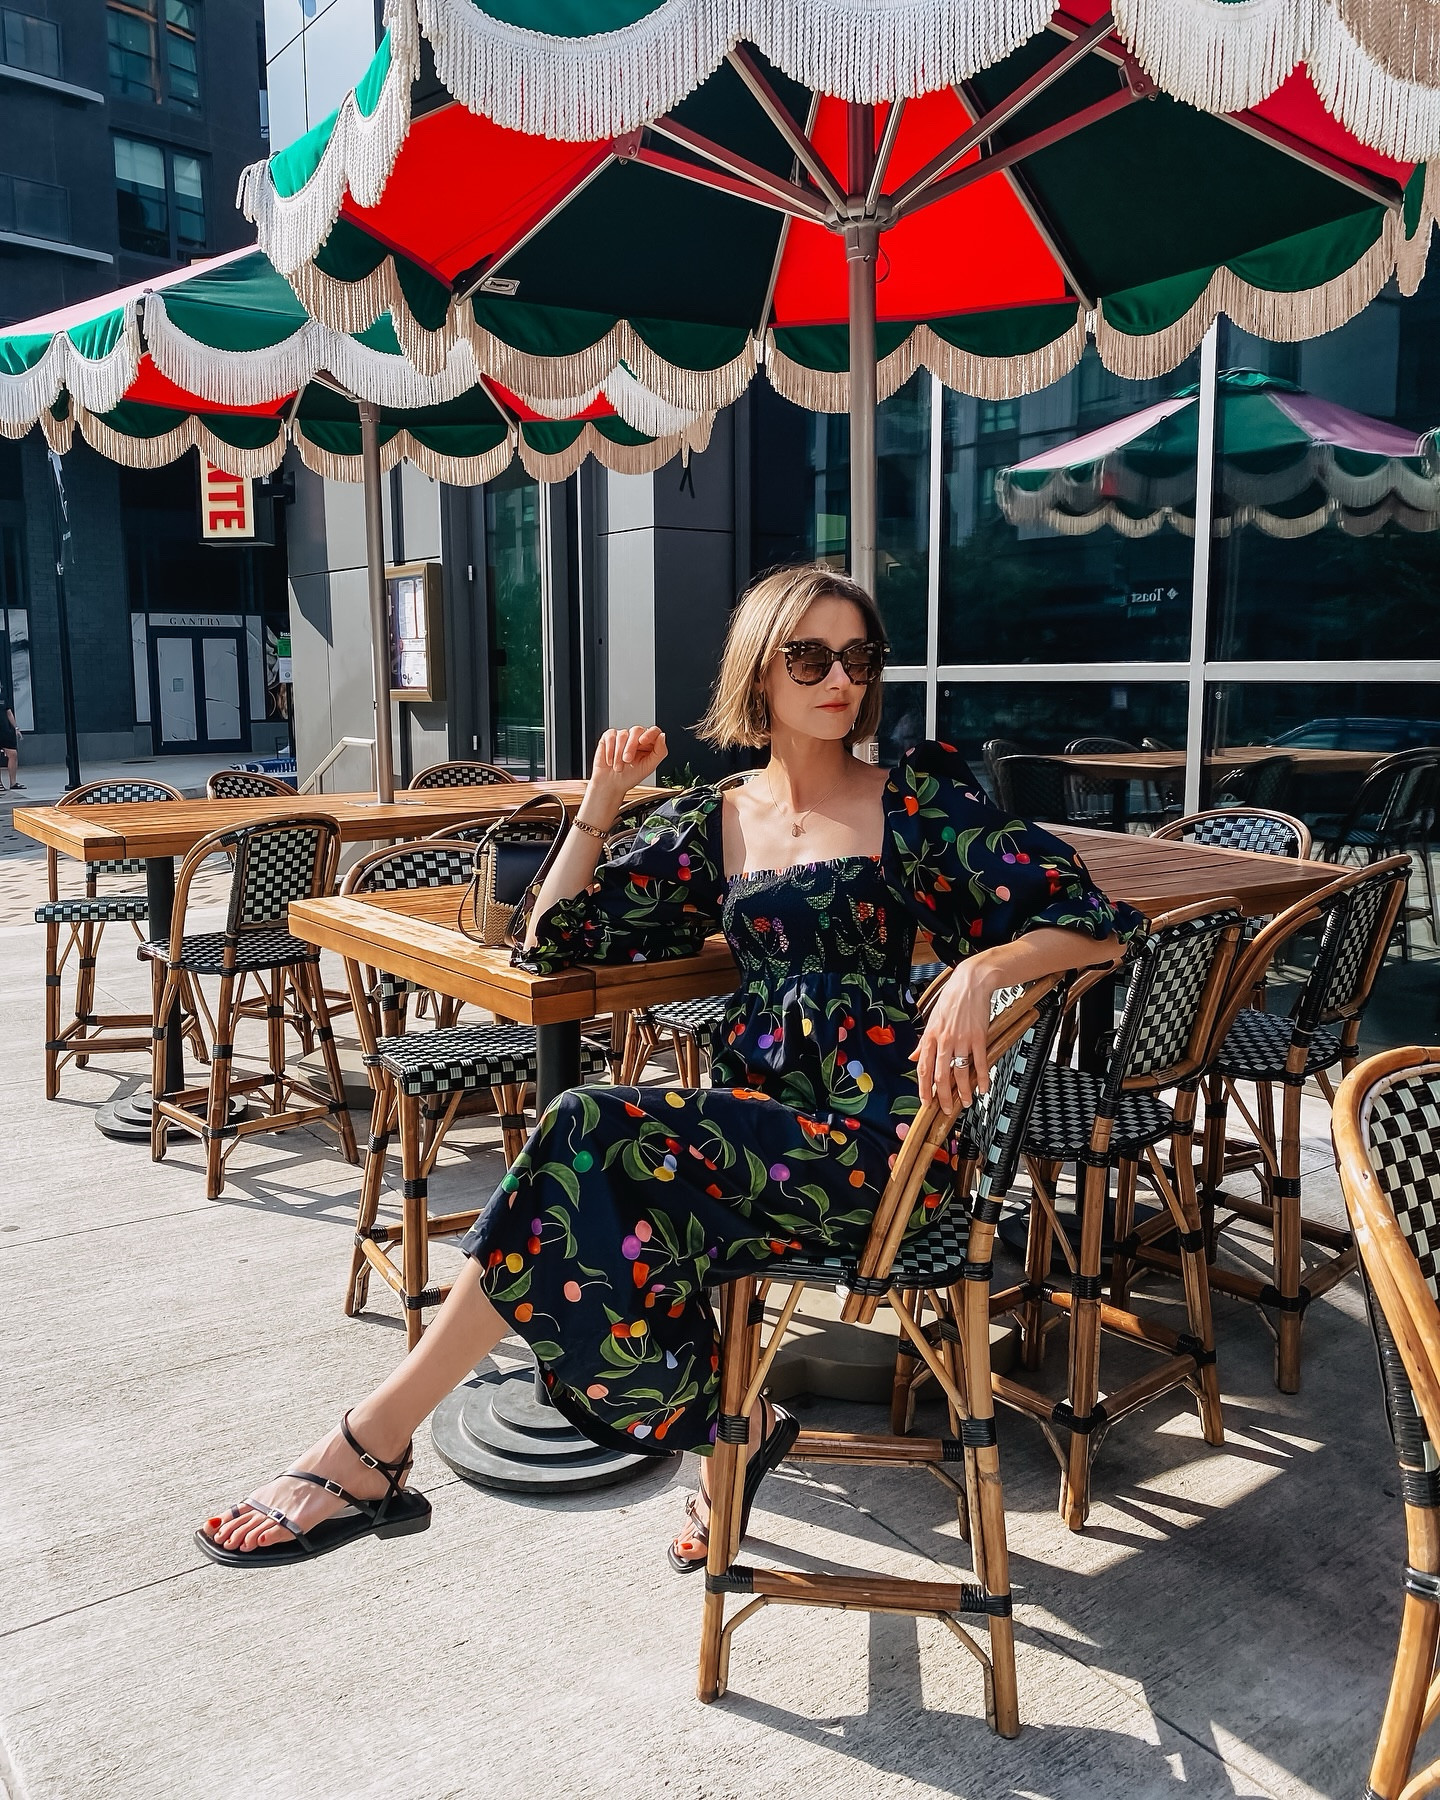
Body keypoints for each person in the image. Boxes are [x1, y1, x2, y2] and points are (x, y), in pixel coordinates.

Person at [198, 564, 1141, 1570]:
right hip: (757, 1132)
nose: (840, 679)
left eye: (859, 657)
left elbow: (1096, 923)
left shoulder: (918, 802)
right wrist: (604, 801)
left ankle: (388, 1442)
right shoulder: (715, 820)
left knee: (588, 1132)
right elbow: (553, 942)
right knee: (601, 1175)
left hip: (880, 1153)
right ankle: (706, 1433)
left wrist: (984, 967)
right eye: (811, 655)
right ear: (760, 674)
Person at [0, 694, 21, 790]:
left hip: (5, 731)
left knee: (13, 754)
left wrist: (16, 728)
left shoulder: (3, 697)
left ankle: (13, 783)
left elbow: (9, 712)